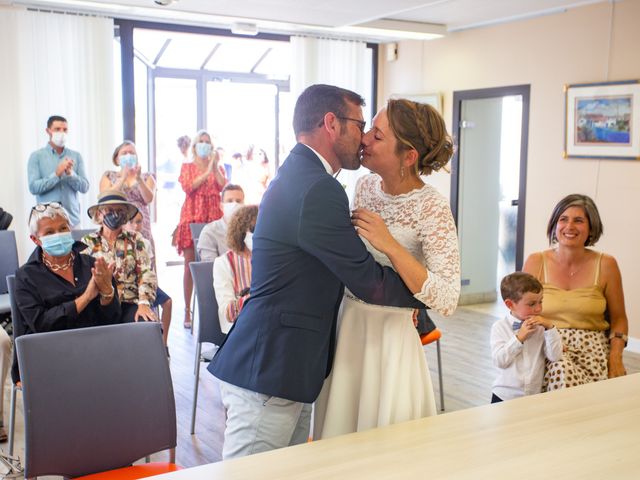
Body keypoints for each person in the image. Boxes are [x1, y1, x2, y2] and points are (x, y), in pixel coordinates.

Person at [209, 84, 425, 460]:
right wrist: (427, 291)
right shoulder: (317, 187)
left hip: (286, 365)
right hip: (271, 369)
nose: (363, 138)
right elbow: (367, 280)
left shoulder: (301, 174)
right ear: (331, 123)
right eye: (359, 125)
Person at [314, 98, 461, 439]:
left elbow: (447, 298)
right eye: (369, 130)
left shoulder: (432, 207)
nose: (364, 139)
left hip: (392, 339)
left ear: (408, 157)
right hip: (348, 325)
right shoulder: (363, 187)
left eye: (377, 136)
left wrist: (390, 244)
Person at [523, 194, 628, 389]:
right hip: (544, 346)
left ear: (591, 228)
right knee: (559, 368)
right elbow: (521, 314)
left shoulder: (606, 265)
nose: (569, 226)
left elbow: (619, 319)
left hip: (591, 351)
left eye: (578, 220)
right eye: (563, 219)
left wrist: (616, 358)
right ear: (555, 225)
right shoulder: (535, 262)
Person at [13, 202, 121, 390]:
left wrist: (107, 293)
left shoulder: (92, 265)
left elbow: (112, 320)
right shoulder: (26, 276)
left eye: (63, 228)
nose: (58, 235)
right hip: (50, 354)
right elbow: (42, 324)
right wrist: (86, 297)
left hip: (95, 350)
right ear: (35, 239)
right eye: (49, 232)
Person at [174, 130, 226, 328]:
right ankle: (187, 310)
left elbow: (223, 186)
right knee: (189, 264)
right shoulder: (187, 167)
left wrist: (214, 168)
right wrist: (206, 172)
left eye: (208, 142)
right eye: (201, 142)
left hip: (212, 217)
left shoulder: (216, 168)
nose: (205, 145)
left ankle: (214, 308)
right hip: (192, 216)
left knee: (215, 264)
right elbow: (189, 187)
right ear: (195, 146)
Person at [82, 190, 157, 324]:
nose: (115, 214)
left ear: (126, 215)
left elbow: (146, 274)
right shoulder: (87, 242)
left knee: (145, 323)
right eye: (109, 210)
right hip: (99, 304)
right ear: (99, 215)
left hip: (130, 303)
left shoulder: (136, 239)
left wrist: (143, 303)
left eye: (120, 210)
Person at [490, 272, 563, 403]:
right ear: (510, 304)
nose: (538, 308)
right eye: (531, 304)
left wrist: (550, 328)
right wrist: (519, 338)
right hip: (504, 396)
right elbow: (500, 361)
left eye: (540, 302)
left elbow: (555, 356)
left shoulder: (542, 328)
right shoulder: (499, 327)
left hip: (533, 396)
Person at [99, 141, 157, 265]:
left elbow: (149, 199)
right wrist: (122, 178)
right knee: (121, 262)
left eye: (132, 153)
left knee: (144, 261)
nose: (129, 155)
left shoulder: (147, 177)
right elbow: (105, 198)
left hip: (141, 225)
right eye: (124, 153)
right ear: (117, 158)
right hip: (116, 223)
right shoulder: (109, 176)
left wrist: (139, 179)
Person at [27, 115, 90, 227]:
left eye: (65, 129)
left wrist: (71, 175)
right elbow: (33, 188)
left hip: (72, 221)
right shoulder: (36, 156)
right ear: (48, 131)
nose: (62, 133)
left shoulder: (76, 156)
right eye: (57, 129)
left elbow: (85, 187)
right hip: (47, 222)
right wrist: (56, 174)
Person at [127, 212, 172, 347]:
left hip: (147, 283)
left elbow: (151, 267)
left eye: (139, 222)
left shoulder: (145, 242)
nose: (136, 225)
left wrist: (154, 284)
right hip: (131, 286)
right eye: (132, 222)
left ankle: (164, 343)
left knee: (168, 302)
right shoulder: (125, 242)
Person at [213, 205, 258, 334]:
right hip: (240, 331)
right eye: (254, 229)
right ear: (241, 231)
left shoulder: (273, 259)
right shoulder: (224, 263)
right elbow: (228, 312)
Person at [197, 184, 245, 261]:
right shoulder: (209, 232)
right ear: (221, 206)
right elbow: (210, 268)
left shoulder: (251, 231)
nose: (234, 204)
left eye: (238, 201)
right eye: (229, 201)